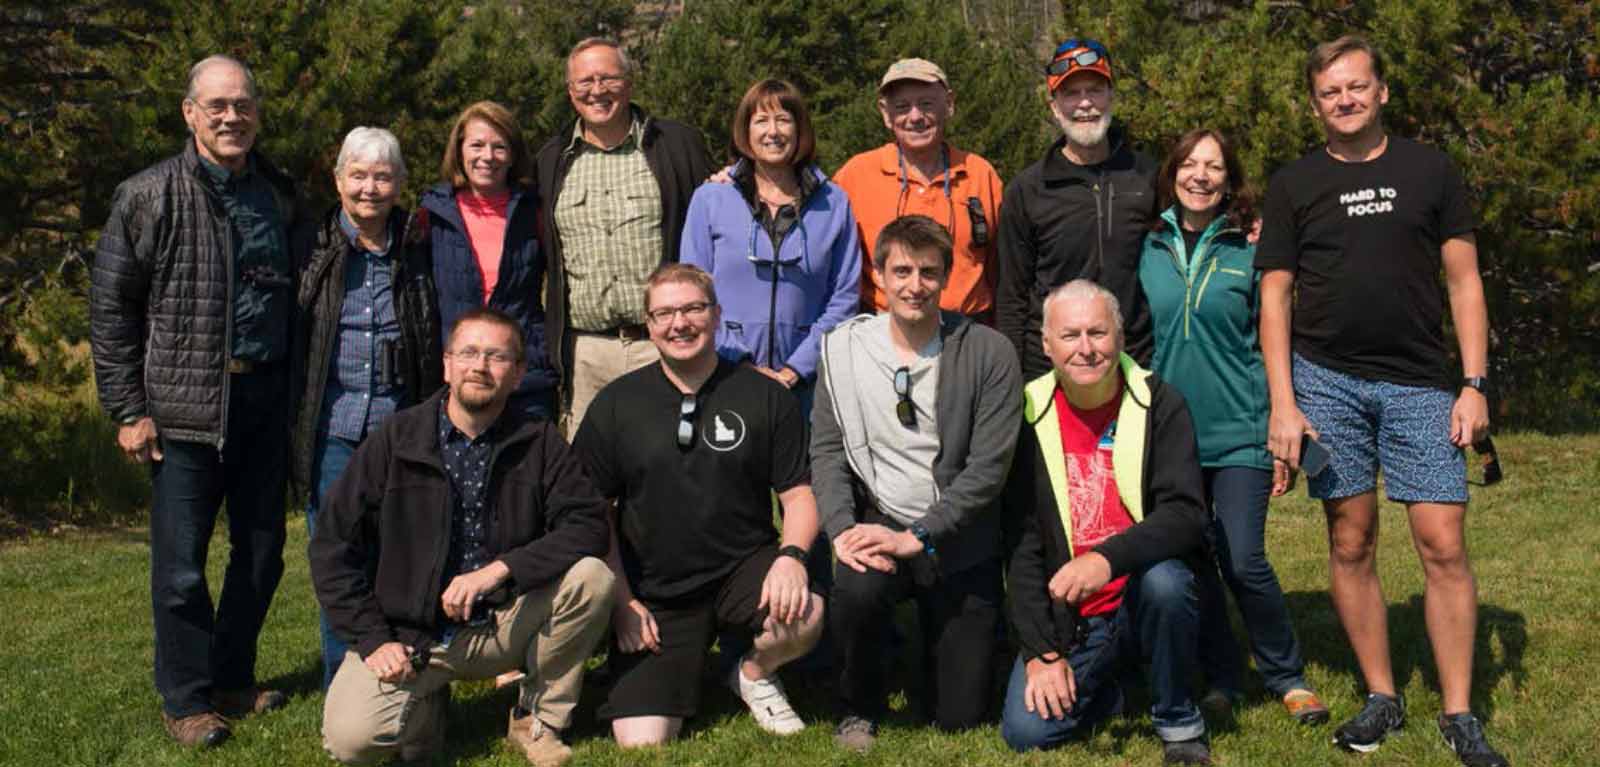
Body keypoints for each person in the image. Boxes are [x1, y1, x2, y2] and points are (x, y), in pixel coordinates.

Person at [1256, 35, 1505, 766]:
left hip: (1422, 382)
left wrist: (1475, 382)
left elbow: (1464, 281)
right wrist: (1283, 401)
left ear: (1382, 91)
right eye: (1331, 91)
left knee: (1443, 542)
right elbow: (1275, 298)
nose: (1346, 99)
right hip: (1326, 380)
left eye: (1357, 87)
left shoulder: (1430, 170)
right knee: (1350, 538)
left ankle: (1459, 712)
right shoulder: (1293, 183)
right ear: (1315, 103)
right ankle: (1381, 695)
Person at [89, 54, 300, 747]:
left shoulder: (277, 191)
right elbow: (112, 308)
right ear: (190, 113)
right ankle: (185, 699)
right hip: (182, 411)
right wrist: (127, 407)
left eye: (242, 105)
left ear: (257, 113)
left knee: (262, 553)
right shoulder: (148, 195)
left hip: (264, 400)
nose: (231, 117)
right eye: (217, 106)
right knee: (181, 567)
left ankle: (230, 675)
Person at [312, 308, 614, 767]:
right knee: (352, 743)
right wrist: (374, 639)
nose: (480, 366)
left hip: (505, 619)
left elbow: (589, 524)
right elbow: (332, 546)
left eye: (496, 357)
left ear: (517, 374)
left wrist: (498, 571)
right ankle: (425, 706)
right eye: (469, 353)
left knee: (592, 577)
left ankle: (537, 719)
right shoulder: (396, 438)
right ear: (447, 365)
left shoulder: (539, 440)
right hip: (413, 637)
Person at [574, 264, 824, 745]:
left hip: (743, 568)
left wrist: (791, 559)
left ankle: (752, 671)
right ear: (649, 324)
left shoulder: (764, 394)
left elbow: (798, 494)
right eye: (664, 313)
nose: (679, 323)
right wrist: (623, 602)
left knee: (808, 612)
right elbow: (593, 512)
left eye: (692, 308)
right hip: (657, 590)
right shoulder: (616, 404)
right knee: (641, 741)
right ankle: (684, 668)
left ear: (717, 314)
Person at [1135, 129, 1328, 724]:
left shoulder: (1254, 247)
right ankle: (1223, 676)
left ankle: (1285, 673)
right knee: (1196, 559)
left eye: (1214, 166)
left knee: (1242, 558)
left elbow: (1276, 337)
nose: (1201, 175)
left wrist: (1282, 417)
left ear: (1229, 178)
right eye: (1190, 164)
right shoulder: (1147, 243)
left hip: (1240, 428)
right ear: (1172, 173)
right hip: (1169, 436)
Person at [811, 215, 1021, 752]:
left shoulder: (989, 352)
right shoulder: (843, 350)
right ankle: (858, 705)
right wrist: (842, 530)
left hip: (958, 533)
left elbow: (987, 469)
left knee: (959, 715)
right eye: (901, 270)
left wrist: (922, 534)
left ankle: (942, 647)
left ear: (947, 276)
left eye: (929, 272)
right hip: (879, 516)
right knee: (858, 586)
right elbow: (829, 452)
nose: (914, 285)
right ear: (879, 275)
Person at [1000, 279, 1212, 765]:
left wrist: (1105, 558)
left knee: (1166, 583)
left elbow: (1186, 514)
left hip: (1143, 593)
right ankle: (1120, 684)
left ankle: (1179, 721)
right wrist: (1041, 653)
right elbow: (1021, 542)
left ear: (1119, 337)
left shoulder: (1161, 402)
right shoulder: (1025, 412)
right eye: (1070, 335)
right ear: (1046, 343)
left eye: (1098, 332)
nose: (1086, 348)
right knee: (1025, 732)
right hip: (1071, 615)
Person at [290, 126, 443, 689]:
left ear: (401, 184)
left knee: (402, 556)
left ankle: (409, 684)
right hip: (332, 429)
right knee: (338, 558)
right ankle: (346, 685)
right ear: (338, 180)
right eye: (358, 175)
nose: (370, 188)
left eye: (383, 176)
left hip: (400, 428)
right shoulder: (312, 247)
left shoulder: (419, 246)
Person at [536, 37, 715, 440]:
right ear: (570, 91)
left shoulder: (675, 145)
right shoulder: (552, 160)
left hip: (664, 344)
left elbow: (717, 218)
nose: (596, 90)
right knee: (587, 484)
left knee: (674, 468)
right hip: (585, 356)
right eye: (585, 82)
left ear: (629, 83)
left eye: (608, 78)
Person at [681, 78, 861, 406]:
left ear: (800, 129)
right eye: (761, 120)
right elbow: (692, 292)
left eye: (784, 119)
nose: (773, 131)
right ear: (745, 131)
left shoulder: (834, 203)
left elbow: (843, 298)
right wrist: (740, 361)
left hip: (808, 383)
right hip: (724, 374)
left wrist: (796, 368)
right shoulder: (710, 199)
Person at [996, 37, 1157, 378]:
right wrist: (1009, 377)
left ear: (1111, 96)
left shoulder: (1148, 177)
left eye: (1095, 90)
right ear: (1054, 105)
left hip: (1135, 364)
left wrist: (1242, 222)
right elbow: (1012, 295)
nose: (1085, 103)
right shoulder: (1027, 190)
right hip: (1052, 370)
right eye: (1071, 93)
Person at [833, 58, 1004, 322]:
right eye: (902, 107)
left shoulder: (980, 174)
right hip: (883, 332)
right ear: (885, 113)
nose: (915, 117)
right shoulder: (855, 175)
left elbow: (999, 265)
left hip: (967, 330)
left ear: (948, 104)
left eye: (926, 104)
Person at [421, 101, 557, 419]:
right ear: (459, 151)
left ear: (512, 155)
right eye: (477, 145)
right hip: (458, 377)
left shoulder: (534, 210)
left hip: (525, 376)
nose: (487, 156)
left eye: (499, 147)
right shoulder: (433, 215)